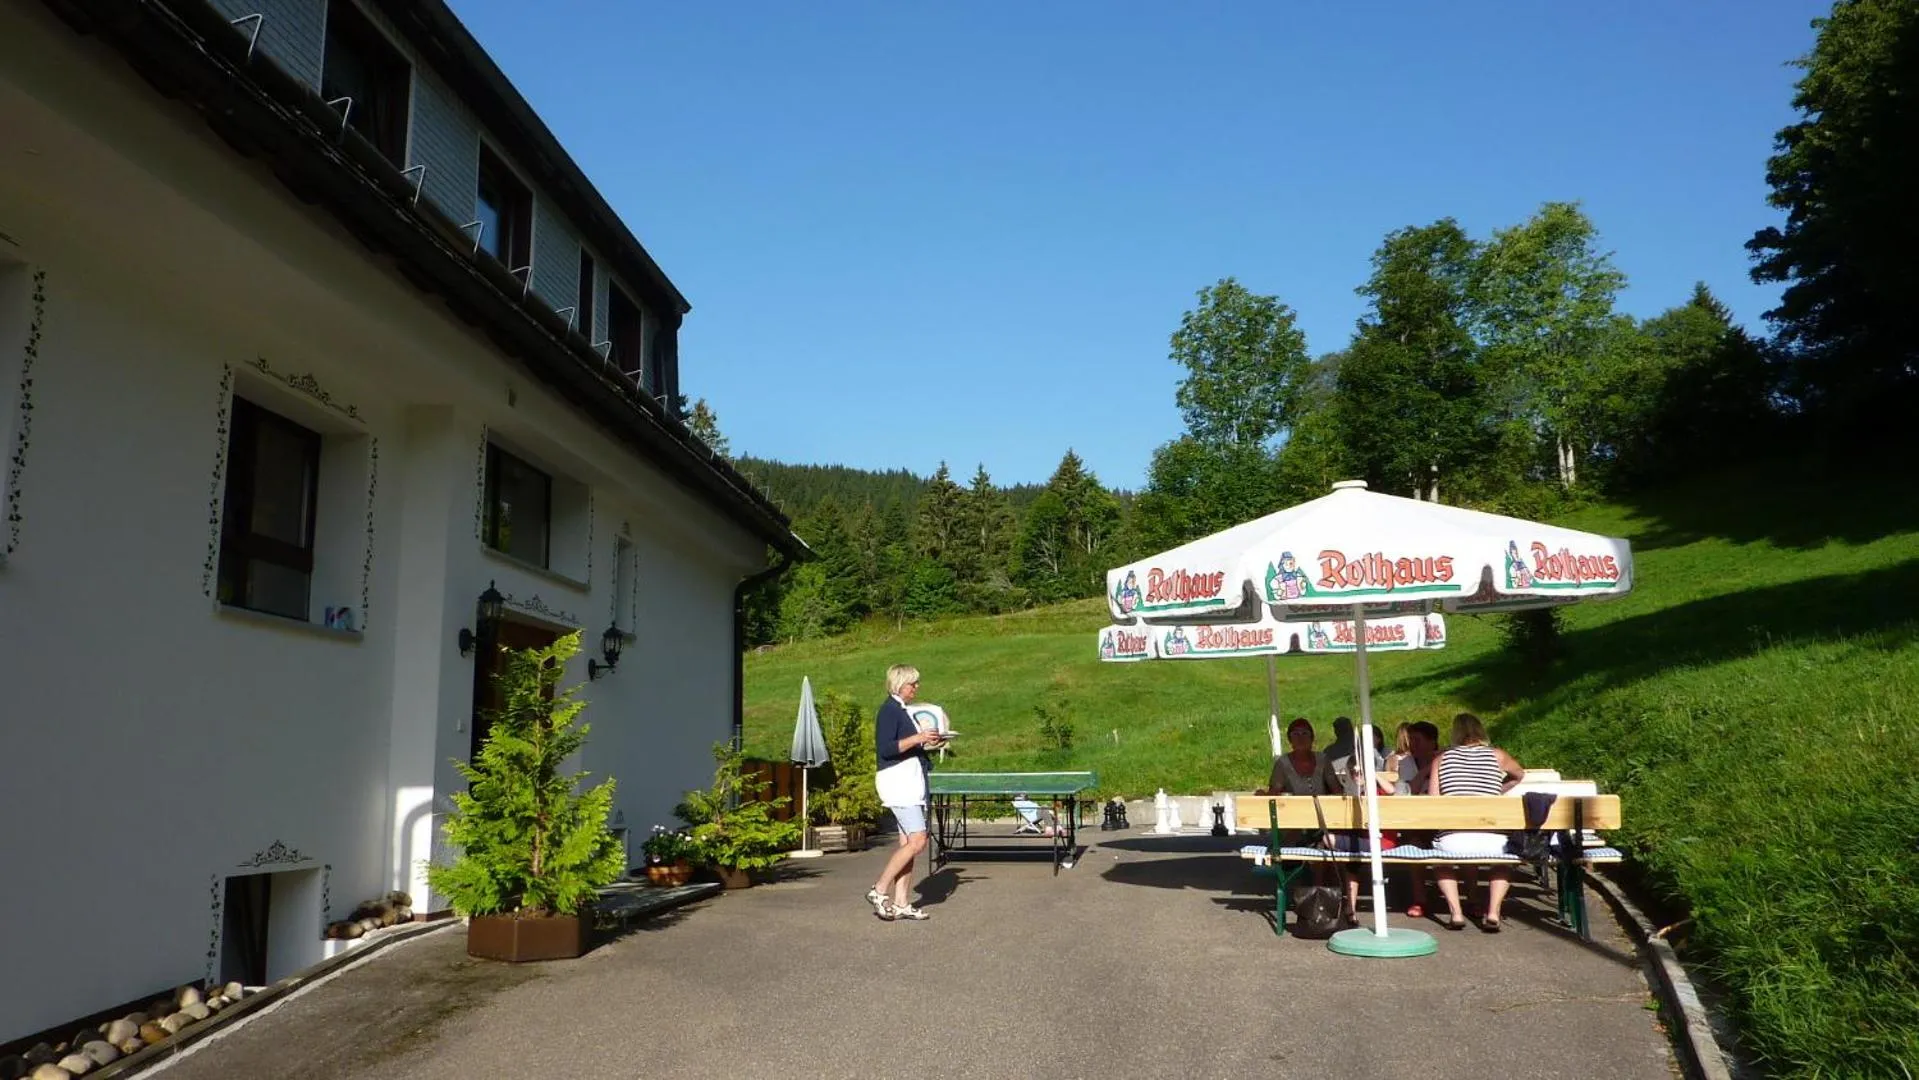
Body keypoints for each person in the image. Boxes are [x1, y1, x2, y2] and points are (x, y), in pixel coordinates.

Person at [1427, 712, 1524, 932]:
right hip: (1492, 837)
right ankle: (1493, 912)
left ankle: (1456, 913)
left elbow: (1434, 799)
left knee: (1441, 863)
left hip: (1454, 837)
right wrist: (1499, 789)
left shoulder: (1441, 758)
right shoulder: (1498, 755)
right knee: (1503, 862)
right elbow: (1519, 775)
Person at [867, 664, 946, 922]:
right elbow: (887, 748)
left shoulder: (902, 710)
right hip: (899, 782)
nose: (916, 688)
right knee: (918, 840)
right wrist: (918, 738)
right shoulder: (889, 710)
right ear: (900, 684)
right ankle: (879, 889)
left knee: (908, 844)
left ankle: (901, 902)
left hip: (910, 782)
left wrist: (928, 741)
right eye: (913, 684)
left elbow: (909, 745)